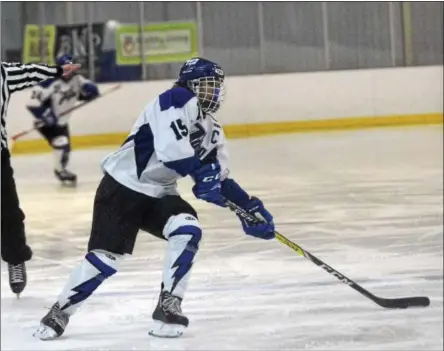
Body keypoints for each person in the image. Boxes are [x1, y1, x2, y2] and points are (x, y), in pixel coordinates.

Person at [33, 57, 275, 340]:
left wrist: (248, 206)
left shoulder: (212, 129)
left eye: (217, 86)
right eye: (209, 85)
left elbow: (219, 179)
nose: (216, 92)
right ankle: (60, 310)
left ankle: (168, 306)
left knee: (188, 230)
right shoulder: (175, 98)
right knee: (106, 260)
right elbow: (173, 153)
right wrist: (201, 174)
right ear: (192, 84)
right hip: (122, 187)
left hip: (160, 193)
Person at [1, 60, 81, 297]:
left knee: (9, 212)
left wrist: (57, 71)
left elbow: (27, 72)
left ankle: (16, 258)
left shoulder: (3, 73)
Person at [27, 55, 100, 186]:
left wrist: (92, 92)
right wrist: (45, 114)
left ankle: (61, 168)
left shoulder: (77, 79)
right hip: (45, 123)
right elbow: (32, 101)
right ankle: (59, 171)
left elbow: (85, 89)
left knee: (65, 151)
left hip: (62, 123)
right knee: (61, 142)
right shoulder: (49, 82)